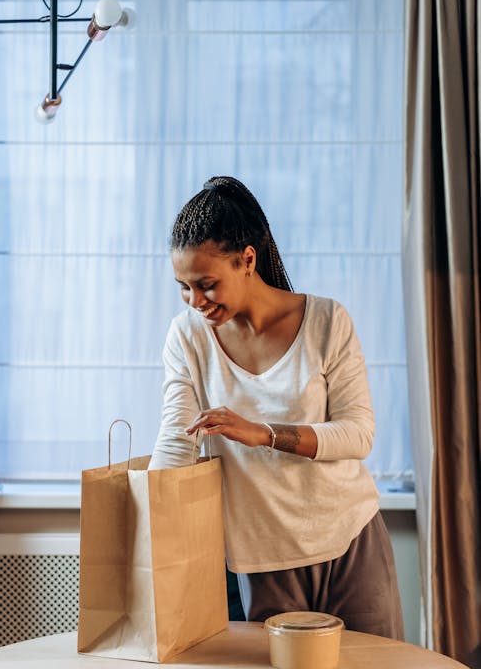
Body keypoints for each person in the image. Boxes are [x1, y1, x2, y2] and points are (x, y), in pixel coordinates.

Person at [149, 175, 404, 640]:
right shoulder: (187, 336)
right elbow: (175, 439)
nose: (195, 301)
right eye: (183, 287)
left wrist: (264, 433)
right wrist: (143, 520)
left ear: (247, 260)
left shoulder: (327, 321)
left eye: (206, 284)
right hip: (261, 557)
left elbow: (358, 433)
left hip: (350, 538)